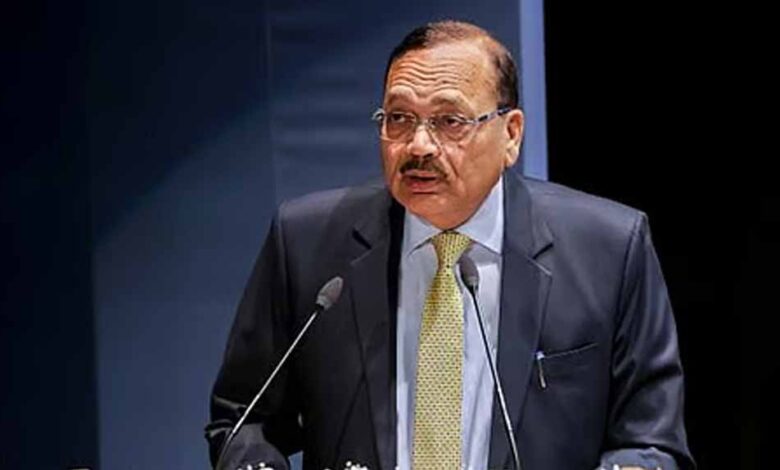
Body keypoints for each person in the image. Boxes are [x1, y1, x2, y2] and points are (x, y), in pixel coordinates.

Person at [206, 20, 694, 470]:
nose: (418, 145)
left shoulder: (609, 249)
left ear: (511, 135)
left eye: (449, 121)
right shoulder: (308, 242)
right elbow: (243, 419)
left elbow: (649, 441)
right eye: (399, 118)